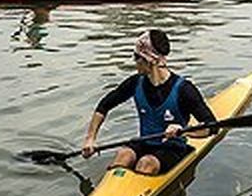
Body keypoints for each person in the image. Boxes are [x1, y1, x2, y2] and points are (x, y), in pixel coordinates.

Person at [81, 29, 216, 176]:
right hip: (145, 142)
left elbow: (212, 127)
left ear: (148, 60)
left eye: (136, 57)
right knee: (123, 155)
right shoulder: (135, 83)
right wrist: (90, 139)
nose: (134, 61)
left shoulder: (185, 90)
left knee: (146, 164)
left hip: (172, 148)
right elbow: (104, 106)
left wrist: (184, 130)